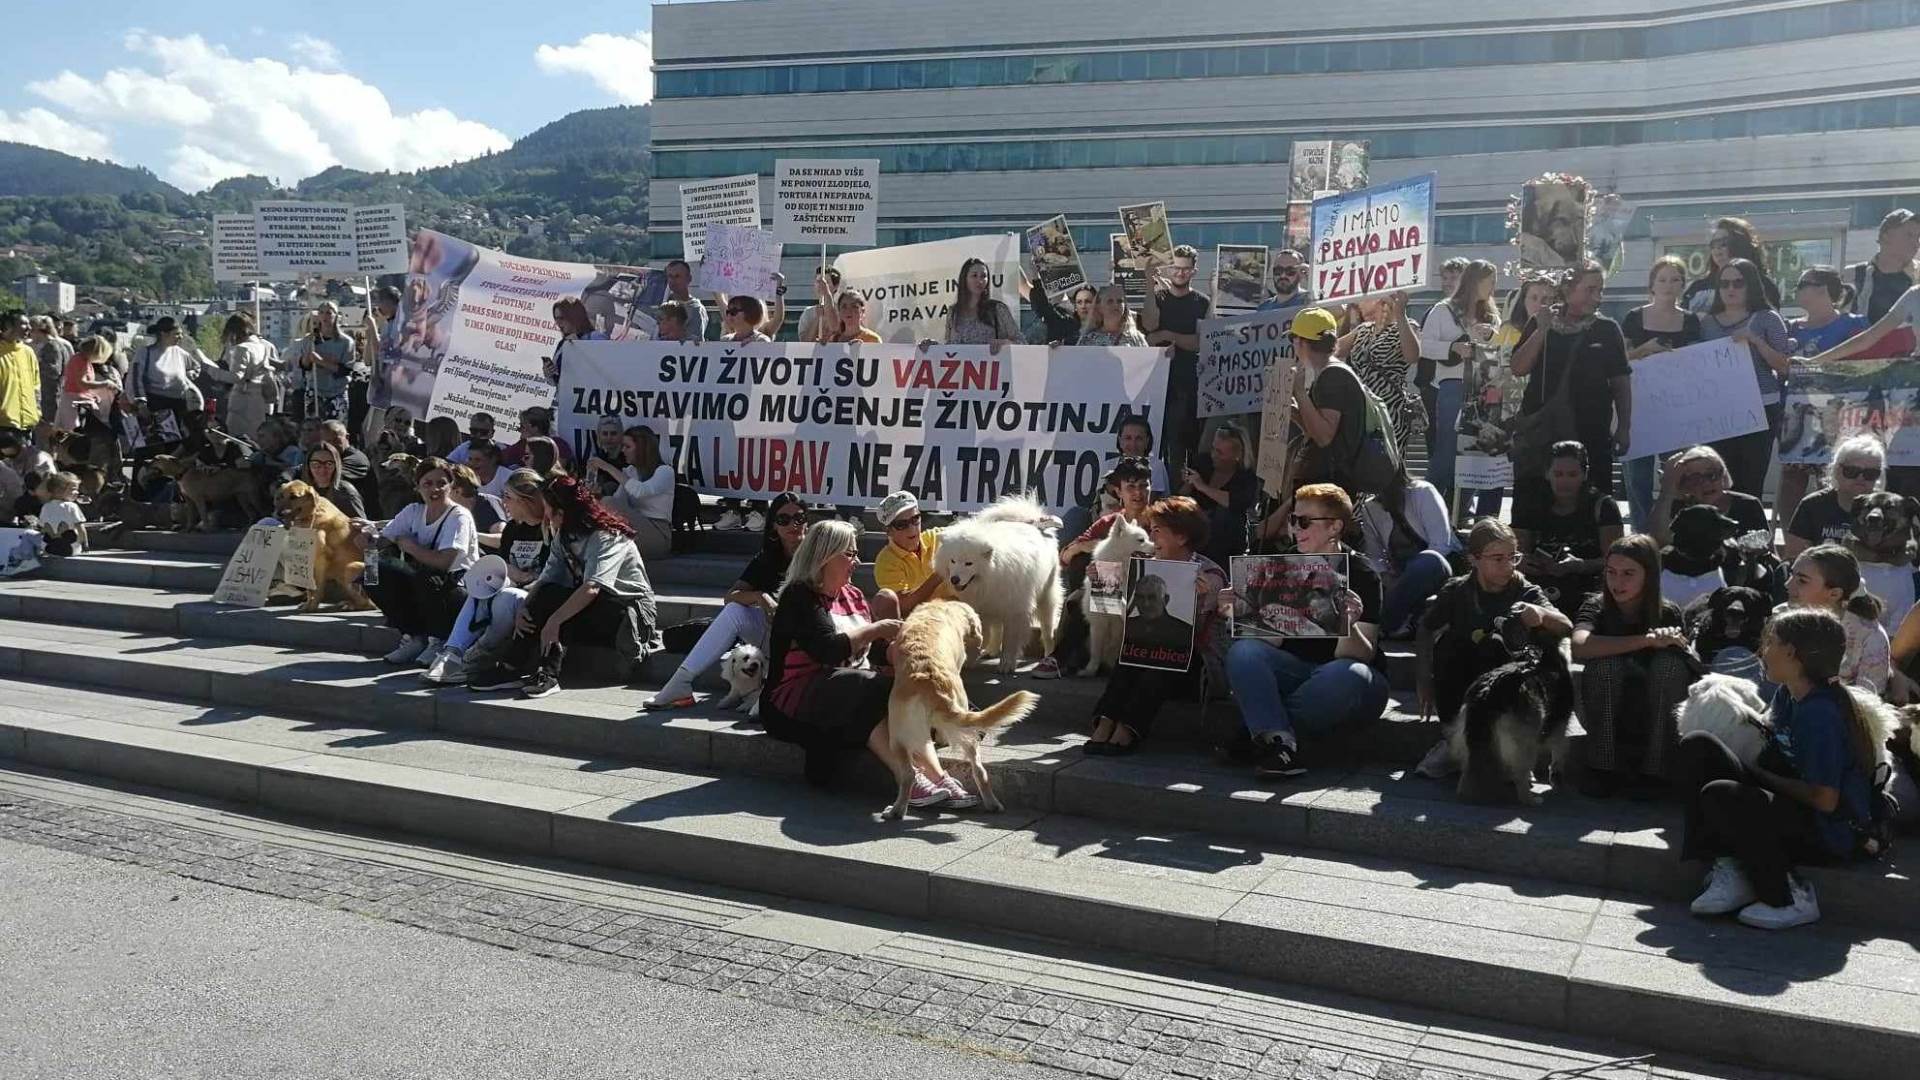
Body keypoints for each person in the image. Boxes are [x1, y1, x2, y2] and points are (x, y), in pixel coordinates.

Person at [1677, 607, 1877, 930]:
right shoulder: (1787, 695)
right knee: (1699, 746)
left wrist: (1760, 778)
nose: (1763, 651)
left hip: (1827, 829)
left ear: (1791, 653)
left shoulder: (1820, 715)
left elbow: (1826, 800)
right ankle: (1730, 866)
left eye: (1770, 642)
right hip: (1793, 805)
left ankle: (1790, 896)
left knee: (1724, 794)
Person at [762, 519, 975, 803]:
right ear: (825, 555)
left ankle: (936, 777)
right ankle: (909, 777)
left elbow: (871, 652)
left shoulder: (853, 595)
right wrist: (878, 628)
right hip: (792, 700)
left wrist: (897, 651)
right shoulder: (799, 595)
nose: (857, 561)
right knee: (866, 687)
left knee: (903, 692)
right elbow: (828, 650)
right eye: (849, 554)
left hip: (848, 691)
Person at [1224, 483, 1389, 776]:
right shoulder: (1282, 563)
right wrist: (1240, 613)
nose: (1294, 528)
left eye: (1304, 522)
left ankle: (1263, 733)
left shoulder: (1361, 572)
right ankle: (1280, 742)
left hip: (1350, 681)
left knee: (1345, 675)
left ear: (1335, 527)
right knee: (1244, 651)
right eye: (1292, 520)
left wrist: (1347, 624)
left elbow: (1361, 655)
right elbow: (1269, 642)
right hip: (1296, 671)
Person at [467, 476, 661, 700]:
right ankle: (513, 667)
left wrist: (555, 620)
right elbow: (547, 578)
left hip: (628, 612)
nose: (547, 517)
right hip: (592, 607)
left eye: (550, 511)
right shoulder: (565, 535)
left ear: (563, 512)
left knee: (561, 603)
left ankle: (547, 674)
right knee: (549, 593)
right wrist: (524, 607)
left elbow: (592, 587)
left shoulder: (607, 536)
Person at [1083, 496, 1227, 755]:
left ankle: (1128, 729)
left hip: (1192, 665)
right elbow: (1115, 614)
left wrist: (1204, 596)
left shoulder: (1209, 573)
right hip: (1145, 652)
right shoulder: (1144, 566)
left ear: (1181, 537)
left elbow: (1198, 628)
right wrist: (1102, 582)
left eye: (1157, 531)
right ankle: (1105, 722)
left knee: (1159, 660)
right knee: (1134, 655)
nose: (1152, 537)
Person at [647, 492, 809, 709]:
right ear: (773, 526)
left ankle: (774, 692)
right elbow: (730, 597)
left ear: (807, 522)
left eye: (799, 518)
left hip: (808, 639)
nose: (793, 525)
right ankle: (681, 682)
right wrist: (760, 597)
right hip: (774, 634)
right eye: (783, 519)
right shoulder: (766, 559)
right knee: (735, 611)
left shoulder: (818, 554)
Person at [1418, 518, 1573, 739]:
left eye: (1513, 557)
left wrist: (1542, 615)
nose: (1508, 566)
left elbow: (1566, 626)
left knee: (1496, 645)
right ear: (1474, 559)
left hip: (1509, 686)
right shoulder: (1457, 591)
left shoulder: (1525, 591)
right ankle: (1452, 738)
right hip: (1464, 678)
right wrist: (1423, 678)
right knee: (1449, 646)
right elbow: (1426, 628)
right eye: (1498, 559)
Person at [1571, 534, 1692, 795]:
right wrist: (1645, 641)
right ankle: (1601, 768)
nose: (1618, 582)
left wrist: (1670, 642)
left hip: (1654, 713)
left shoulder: (1667, 612)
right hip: (1604, 707)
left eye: (1628, 573)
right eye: (1611, 572)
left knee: (1669, 666)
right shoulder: (1596, 606)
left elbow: (1687, 664)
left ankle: (1656, 771)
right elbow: (1580, 645)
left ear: (1649, 575)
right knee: (1605, 666)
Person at [1510, 262, 1631, 493]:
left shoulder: (1607, 329)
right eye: (1590, 289)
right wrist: (1541, 330)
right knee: (1534, 500)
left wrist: (1624, 426)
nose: (1597, 297)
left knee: (1594, 501)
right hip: (1543, 433)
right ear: (1567, 289)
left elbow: (1621, 382)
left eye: (1600, 290)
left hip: (1591, 433)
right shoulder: (1540, 321)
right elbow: (1518, 367)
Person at [361, 456, 479, 668]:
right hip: (424, 586)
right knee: (372, 572)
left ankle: (439, 639)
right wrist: (367, 541)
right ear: (418, 487)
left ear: (451, 486)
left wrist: (410, 547)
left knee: (427, 576)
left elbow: (444, 562)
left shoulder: (458, 516)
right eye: (428, 483)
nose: (435, 489)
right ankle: (414, 636)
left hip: (458, 590)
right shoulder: (413, 511)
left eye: (441, 483)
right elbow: (382, 541)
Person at [1619, 256, 1702, 532]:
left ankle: (1676, 532)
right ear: (1652, 284)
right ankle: (1641, 534)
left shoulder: (1690, 321)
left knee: (1679, 475)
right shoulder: (1633, 317)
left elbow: (1698, 362)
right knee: (1637, 479)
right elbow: (1619, 360)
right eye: (1662, 279)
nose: (1668, 285)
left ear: (1682, 285)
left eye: (1675, 279)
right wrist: (1645, 351)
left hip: (1676, 409)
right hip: (1638, 408)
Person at [1700, 258, 1792, 497]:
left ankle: (1752, 534)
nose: (1730, 289)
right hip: (1718, 411)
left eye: (1738, 283)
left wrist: (1755, 340)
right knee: (1719, 481)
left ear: (1751, 285)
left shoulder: (1768, 318)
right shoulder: (1706, 323)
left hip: (1760, 408)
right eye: (1725, 283)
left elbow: (1784, 366)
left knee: (1751, 481)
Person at [1290, 306, 1395, 498]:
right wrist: (1295, 412)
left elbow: (1324, 437)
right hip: (1333, 476)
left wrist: (1299, 392)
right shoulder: (1329, 372)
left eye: (1293, 338)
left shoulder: (1333, 376)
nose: (1293, 344)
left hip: (1334, 479)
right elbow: (1315, 430)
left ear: (1302, 342)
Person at [1417, 260, 1500, 497]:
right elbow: (1425, 346)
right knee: (1447, 450)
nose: (1493, 287)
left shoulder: (1491, 314)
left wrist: (1491, 335)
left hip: (1483, 386)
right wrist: (1454, 347)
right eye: (1489, 282)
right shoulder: (1443, 310)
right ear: (1474, 282)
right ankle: (1427, 503)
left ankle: (1462, 508)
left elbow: (1499, 349)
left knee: (1475, 451)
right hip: (1452, 385)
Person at [1513, 441, 1626, 614]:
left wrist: (1579, 565)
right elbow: (1516, 553)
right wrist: (1524, 562)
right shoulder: (1531, 506)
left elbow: (1616, 560)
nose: (1564, 481)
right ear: (1547, 474)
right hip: (1537, 587)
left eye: (1572, 475)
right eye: (1558, 474)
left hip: (1589, 587)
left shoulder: (1603, 507)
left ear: (1584, 474)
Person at [1354, 469, 1460, 638]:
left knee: (1428, 561)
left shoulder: (1423, 491)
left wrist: (1408, 573)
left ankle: (1384, 624)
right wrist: (1385, 575)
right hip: (1400, 575)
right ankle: (1403, 622)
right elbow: (1373, 555)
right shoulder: (1370, 508)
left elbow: (1442, 544)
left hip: (1439, 566)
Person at [1139, 245, 1211, 469]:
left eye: (1186, 269)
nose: (1180, 273)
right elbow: (1149, 330)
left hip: (1188, 384)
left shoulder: (1202, 302)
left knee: (1183, 447)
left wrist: (1168, 334)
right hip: (1158, 384)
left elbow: (1199, 341)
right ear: (1169, 268)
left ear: (1194, 271)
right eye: (1176, 268)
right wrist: (1150, 287)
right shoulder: (1158, 297)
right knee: (1156, 444)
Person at [1785, 544, 1889, 695]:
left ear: (1834, 594)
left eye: (1802, 581)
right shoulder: (1784, 618)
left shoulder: (1870, 638)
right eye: (1791, 575)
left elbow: (1866, 706)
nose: (1787, 584)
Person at [1338, 291, 1423, 458]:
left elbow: (1412, 356)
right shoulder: (1363, 330)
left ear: (1379, 300)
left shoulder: (1406, 325)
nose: (1357, 303)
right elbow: (1330, 350)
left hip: (1390, 408)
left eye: (1362, 299)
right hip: (1362, 407)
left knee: (1388, 461)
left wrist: (1400, 314)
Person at [1784, 434, 1886, 560]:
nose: (1860, 478)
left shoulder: (1887, 509)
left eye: (1870, 474)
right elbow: (1794, 556)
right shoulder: (1812, 505)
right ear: (1836, 470)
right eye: (1851, 471)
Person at [1650, 444, 1769, 547]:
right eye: (1696, 479)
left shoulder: (1748, 504)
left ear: (1723, 475)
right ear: (1684, 484)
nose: (1706, 483)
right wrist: (1667, 490)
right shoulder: (1678, 506)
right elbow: (1657, 543)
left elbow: (1768, 550)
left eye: (1712, 475)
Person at [1181, 422, 1259, 568]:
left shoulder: (1246, 477)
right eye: (1213, 449)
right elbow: (1182, 496)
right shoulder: (1203, 462)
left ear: (1237, 455)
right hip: (1197, 532)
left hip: (1226, 540)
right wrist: (1188, 482)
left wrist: (1203, 487)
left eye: (1220, 452)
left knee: (1224, 515)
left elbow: (1236, 503)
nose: (1214, 455)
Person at [596, 424, 675, 560]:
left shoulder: (665, 471)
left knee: (607, 502)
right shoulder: (630, 472)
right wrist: (597, 495)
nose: (623, 451)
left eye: (627, 447)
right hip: (633, 528)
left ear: (642, 449)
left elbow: (641, 491)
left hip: (657, 533)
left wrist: (607, 467)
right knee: (605, 503)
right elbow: (617, 503)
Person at [872, 490, 954, 618]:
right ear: (888, 531)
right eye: (901, 524)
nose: (912, 528)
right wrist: (940, 573)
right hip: (920, 620)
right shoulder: (885, 562)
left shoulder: (936, 537)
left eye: (915, 519)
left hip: (953, 613)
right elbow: (904, 606)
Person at [1681, 217, 1783, 312]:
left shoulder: (1763, 285)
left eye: (1723, 243)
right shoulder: (1698, 287)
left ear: (1740, 244)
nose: (1717, 248)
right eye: (1714, 244)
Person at [207, 313, 281, 442]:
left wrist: (212, 371)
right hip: (258, 398)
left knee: (235, 437)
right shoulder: (261, 347)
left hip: (242, 399)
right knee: (256, 437)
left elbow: (236, 377)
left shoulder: (241, 349)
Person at [126, 316, 203, 438]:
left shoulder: (180, 352)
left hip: (180, 405)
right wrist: (141, 403)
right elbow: (136, 378)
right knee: (159, 443)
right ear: (163, 334)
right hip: (156, 406)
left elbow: (196, 367)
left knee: (179, 444)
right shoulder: (145, 353)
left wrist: (187, 376)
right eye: (176, 334)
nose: (180, 337)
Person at [1847, 208, 1918, 329]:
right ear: (1886, 236)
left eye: (1918, 237)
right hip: (1864, 345)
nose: (1916, 243)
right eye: (1909, 235)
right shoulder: (1853, 274)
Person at [290, 301, 358, 422]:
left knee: (336, 428)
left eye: (329, 313)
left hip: (337, 392)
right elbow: (304, 366)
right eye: (322, 312)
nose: (325, 316)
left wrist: (321, 361)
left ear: (336, 315)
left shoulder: (346, 342)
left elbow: (345, 370)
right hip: (315, 391)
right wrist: (308, 358)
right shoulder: (309, 340)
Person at [940, 257, 1021, 347]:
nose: (980, 281)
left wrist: (1004, 343)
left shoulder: (997, 309)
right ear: (964, 279)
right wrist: (931, 346)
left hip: (992, 361)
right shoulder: (953, 312)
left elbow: (1021, 342)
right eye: (974, 275)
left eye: (983, 276)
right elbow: (948, 347)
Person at [56, 334, 119, 434]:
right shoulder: (81, 362)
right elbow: (82, 383)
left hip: (75, 398)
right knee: (70, 433)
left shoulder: (80, 359)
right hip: (73, 401)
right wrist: (105, 384)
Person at [543, 296, 608, 386]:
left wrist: (578, 345)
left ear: (574, 316)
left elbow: (605, 369)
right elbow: (555, 381)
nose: (558, 323)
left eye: (561, 318)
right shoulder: (563, 343)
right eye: (556, 319)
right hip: (564, 397)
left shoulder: (595, 337)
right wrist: (549, 374)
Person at [300, 441, 366, 519]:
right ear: (308, 465)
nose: (322, 470)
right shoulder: (301, 492)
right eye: (316, 464)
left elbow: (362, 526)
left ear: (336, 466)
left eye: (329, 464)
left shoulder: (345, 492)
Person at [1023, 276, 1096, 346]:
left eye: (1088, 302)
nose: (1083, 306)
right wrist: (1058, 346)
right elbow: (1043, 308)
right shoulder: (1065, 324)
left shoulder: (1103, 327)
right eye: (1079, 302)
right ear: (1075, 305)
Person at [500, 406, 574, 469]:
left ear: (535, 428)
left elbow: (558, 468)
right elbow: (500, 457)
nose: (519, 429)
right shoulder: (522, 444)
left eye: (522, 426)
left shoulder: (558, 445)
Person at [28, 316, 69, 425]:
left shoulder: (52, 346)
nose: (29, 334)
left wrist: (34, 365)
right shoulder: (46, 346)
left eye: (31, 330)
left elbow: (54, 371)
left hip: (49, 396)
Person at [1077, 284, 1147, 347]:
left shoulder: (1136, 337)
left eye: (1120, 301)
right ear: (1099, 307)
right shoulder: (1088, 339)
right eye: (1110, 301)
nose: (1115, 305)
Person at [34, 470, 86, 555]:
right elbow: (80, 528)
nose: (77, 492)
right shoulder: (72, 506)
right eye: (73, 489)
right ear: (59, 490)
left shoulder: (45, 506)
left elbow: (42, 528)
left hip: (49, 548)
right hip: (71, 549)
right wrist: (84, 544)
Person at [661, 260, 710, 341]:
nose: (673, 280)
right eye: (670, 276)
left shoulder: (696, 309)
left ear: (689, 279)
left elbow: (694, 341)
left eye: (677, 276)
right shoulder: (662, 302)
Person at [814, 289, 883, 344]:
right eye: (844, 307)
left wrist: (863, 351)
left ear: (862, 311)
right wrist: (820, 349)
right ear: (839, 312)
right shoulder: (833, 340)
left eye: (854, 306)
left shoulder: (873, 340)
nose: (849, 311)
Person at [796, 267, 846, 343]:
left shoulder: (843, 312)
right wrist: (817, 319)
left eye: (826, 282)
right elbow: (804, 342)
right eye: (818, 281)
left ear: (836, 286)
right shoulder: (808, 313)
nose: (820, 285)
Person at [1255, 249, 1310, 317]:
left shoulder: (1310, 302)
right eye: (1278, 270)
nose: (1283, 275)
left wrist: (1311, 275)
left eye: (1290, 271)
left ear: (1301, 273)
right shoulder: (1263, 308)